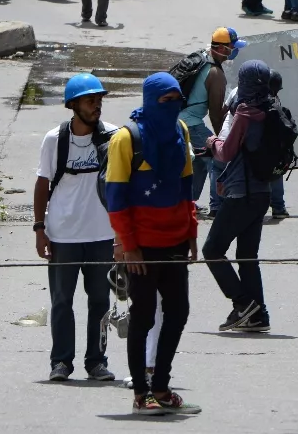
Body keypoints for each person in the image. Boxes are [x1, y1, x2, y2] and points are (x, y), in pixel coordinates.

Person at [105, 73, 201, 417]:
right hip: (141, 247)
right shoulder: (126, 139)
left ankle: (161, 386)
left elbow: (186, 187)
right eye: (166, 100)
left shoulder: (182, 131)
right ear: (150, 100)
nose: (173, 106)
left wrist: (191, 232)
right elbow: (115, 198)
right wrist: (127, 245)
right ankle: (141, 393)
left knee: (178, 312)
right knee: (143, 316)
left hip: (175, 239)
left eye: (177, 100)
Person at [34, 73, 118, 383]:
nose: (96, 105)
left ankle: (97, 361)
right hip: (63, 235)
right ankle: (61, 363)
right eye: (89, 100)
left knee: (100, 302)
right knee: (61, 301)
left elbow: (123, 186)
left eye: (99, 99)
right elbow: (42, 184)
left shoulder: (113, 136)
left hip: (102, 235)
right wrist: (39, 228)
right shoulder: (55, 139)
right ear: (73, 105)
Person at [204, 59, 281, 333]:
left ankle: (242, 304)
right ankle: (259, 315)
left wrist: (212, 142)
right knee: (247, 255)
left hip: (240, 194)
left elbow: (225, 153)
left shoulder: (246, 113)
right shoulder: (272, 107)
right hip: (262, 193)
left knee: (212, 250)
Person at [182, 27, 245, 216]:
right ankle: (217, 206)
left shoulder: (202, 57)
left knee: (200, 161)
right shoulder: (216, 74)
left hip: (179, 119)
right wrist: (221, 141)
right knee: (217, 158)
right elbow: (216, 114)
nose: (235, 50)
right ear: (223, 49)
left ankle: (188, 203)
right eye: (233, 47)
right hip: (190, 123)